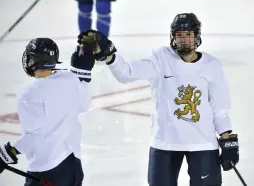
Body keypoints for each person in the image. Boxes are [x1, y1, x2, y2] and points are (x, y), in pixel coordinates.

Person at [77, 13, 240, 186]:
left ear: (197, 36)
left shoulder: (212, 65)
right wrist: (110, 56)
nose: (184, 39)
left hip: (203, 144)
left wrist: (227, 139)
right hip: (165, 143)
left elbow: (219, 109)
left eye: (188, 35)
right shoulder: (161, 59)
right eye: (179, 35)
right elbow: (127, 73)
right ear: (172, 37)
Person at [0, 38, 95, 186]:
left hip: (47, 169)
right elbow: (85, 105)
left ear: (34, 61)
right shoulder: (70, 78)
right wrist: (82, 76)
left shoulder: (29, 94)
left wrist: (9, 153)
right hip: (74, 166)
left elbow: (35, 136)